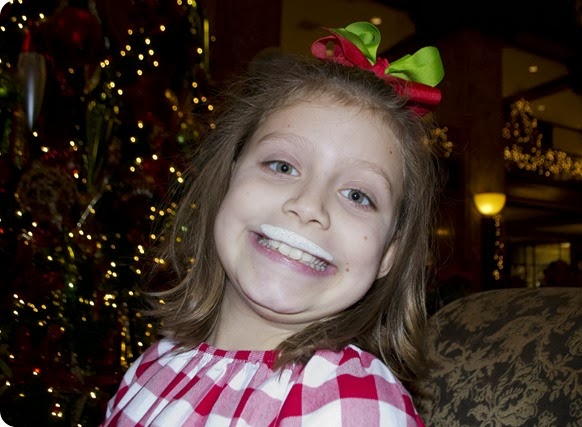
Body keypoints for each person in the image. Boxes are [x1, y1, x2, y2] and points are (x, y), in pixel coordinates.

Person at [102, 21, 444, 426]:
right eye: (282, 166)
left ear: (389, 253)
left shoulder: (355, 404)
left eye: (357, 195)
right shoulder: (151, 366)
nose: (308, 205)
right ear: (228, 179)